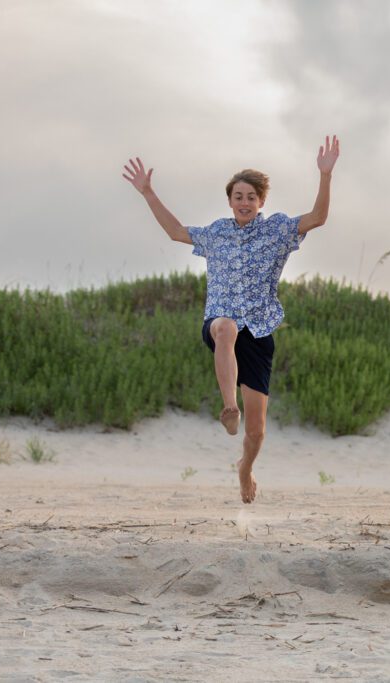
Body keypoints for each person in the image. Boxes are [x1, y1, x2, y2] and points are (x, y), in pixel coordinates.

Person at [121, 135, 340, 503]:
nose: (244, 202)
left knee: (257, 433)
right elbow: (176, 231)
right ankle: (228, 405)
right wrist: (147, 193)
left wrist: (325, 175)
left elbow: (317, 217)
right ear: (229, 201)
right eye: (238, 196)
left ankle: (245, 469)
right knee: (226, 327)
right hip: (221, 323)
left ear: (261, 202)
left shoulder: (277, 231)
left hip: (259, 332)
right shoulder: (217, 233)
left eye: (251, 197)